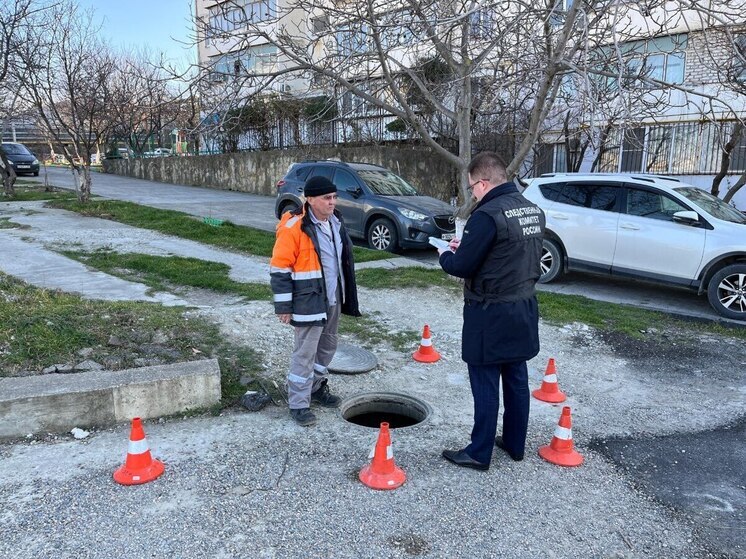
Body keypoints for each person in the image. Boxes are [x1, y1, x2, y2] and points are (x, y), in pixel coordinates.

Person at [437, 152, 545, 471]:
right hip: (524, 307)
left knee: (484, 379)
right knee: (515, 377)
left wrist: (446, 255)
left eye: (472, 187)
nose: (472, 193)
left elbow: (463, 265)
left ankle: (479, 451)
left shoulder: (487, 215)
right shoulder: (533, 210)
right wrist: (468, 248)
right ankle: (514, 443)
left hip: (490, 311)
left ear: (483, 183)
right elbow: (508, 254)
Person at [270, 176, 360, 426]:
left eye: (334, 197)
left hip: (332, 300)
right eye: (326, 198)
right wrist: (284, 307)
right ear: (310, 200)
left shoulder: (336, 221)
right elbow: (279, 269)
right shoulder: (295, 228)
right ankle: (298, 403)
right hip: (308, 302)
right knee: (305, 353)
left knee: (327, 347)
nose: (332, 202)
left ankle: (316, 387)